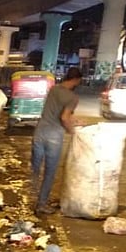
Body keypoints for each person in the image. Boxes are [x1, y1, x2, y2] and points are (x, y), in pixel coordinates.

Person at [31, 66, 82, 214]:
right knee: (49, 171)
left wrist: (76, 121)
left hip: (39, 132)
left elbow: (58, 112)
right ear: (76, 80)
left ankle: (31, 198)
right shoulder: (73, 97)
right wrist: (71, 131)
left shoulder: (53, 89)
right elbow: (64, 117)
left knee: (35, 168)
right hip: (53, 136)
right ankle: (41, 204)